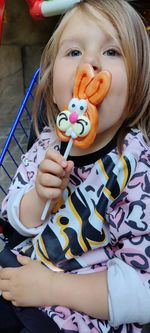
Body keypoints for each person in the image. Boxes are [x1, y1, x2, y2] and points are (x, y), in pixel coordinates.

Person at [0, 0, 150, 332]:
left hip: (81, 316)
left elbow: (143, 291)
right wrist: (38, 198)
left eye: (112, 51)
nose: (91, 64)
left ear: (137, 88)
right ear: (53, 88)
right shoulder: (48, 144)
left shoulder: (136, 167)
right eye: (73, 52)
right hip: (21, 272)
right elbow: (14, 219)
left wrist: (52, 288)